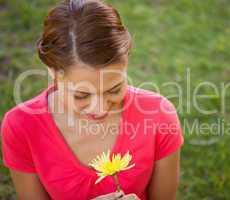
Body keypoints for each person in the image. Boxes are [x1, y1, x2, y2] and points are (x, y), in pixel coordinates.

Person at [1, 0, 184, 199]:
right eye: (82, 95)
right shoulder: (21, 126)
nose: (100, 109)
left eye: (114, 89)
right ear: (52, 72)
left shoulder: (158, 114)